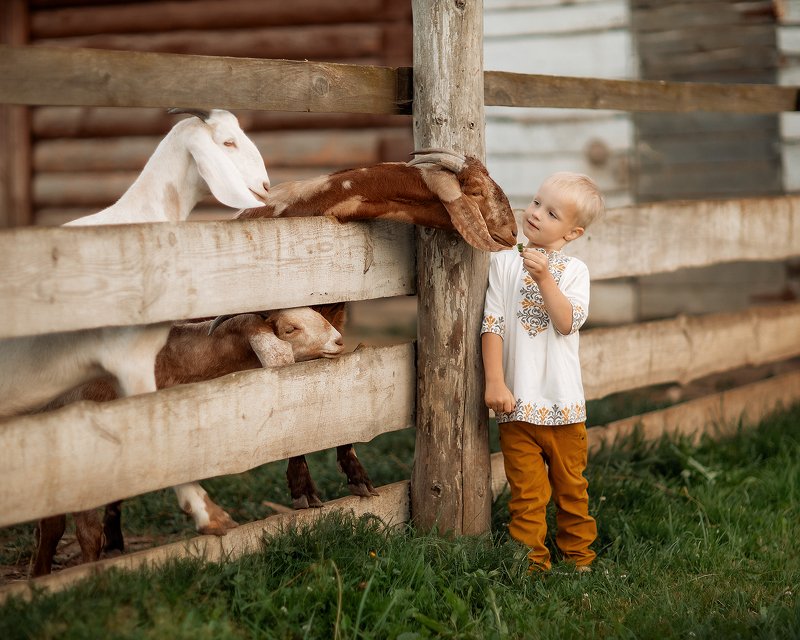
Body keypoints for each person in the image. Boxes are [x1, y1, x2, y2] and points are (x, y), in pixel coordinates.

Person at [481, 171, 605, 573]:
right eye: (536, 202)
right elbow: (493, 323)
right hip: (516, 403)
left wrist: (545, 277)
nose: (536, 214)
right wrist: (496, 381)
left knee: (572, 488)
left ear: (573, 232)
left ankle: (579, 557)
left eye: (552, 213)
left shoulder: (573, 271)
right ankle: (531, 562)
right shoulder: (502, 263)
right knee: (527, 492)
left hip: (564, 405)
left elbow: (567, 322)